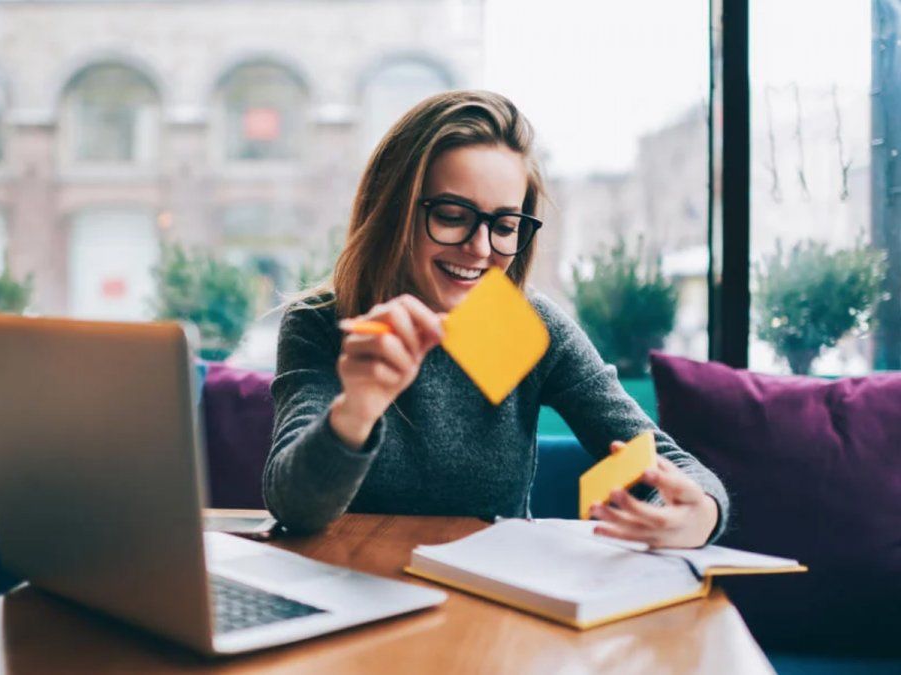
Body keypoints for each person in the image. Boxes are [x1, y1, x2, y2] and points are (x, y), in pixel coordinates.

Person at [263, 90, 727, 548]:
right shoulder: (323, 324)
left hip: (491, 601)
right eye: (450, 215)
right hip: (354, 590)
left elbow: (661, 459)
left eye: (505, 226)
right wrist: (358, 407)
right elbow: (294, 506)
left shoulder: (528, 327)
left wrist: (699, 512)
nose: (481, 249)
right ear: (391, 211)